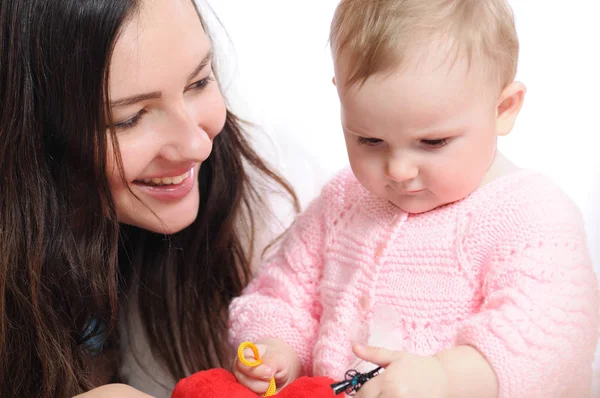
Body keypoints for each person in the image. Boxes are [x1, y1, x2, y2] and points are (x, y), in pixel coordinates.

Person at [228, 0, 600, 397]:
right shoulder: (341, 204)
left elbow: (550, 332)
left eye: (432, 141)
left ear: (503, 109)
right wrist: (275, 348)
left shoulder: (531, 214)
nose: (398, 169)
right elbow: (283, 292)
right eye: (370, 140)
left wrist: (447, 378)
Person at [0, 0, 297, 397]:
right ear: (29, 131)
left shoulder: (262, 218)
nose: (197, 145)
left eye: (199, 82)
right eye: (130, 118)